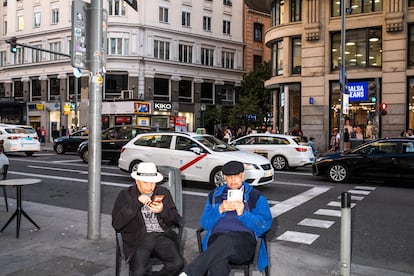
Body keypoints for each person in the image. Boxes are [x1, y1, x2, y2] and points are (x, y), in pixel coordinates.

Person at [181, 161, 272, 276]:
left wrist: (243, 214)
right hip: (216, 239)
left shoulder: (255, 196)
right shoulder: (214, 195)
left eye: (236, 176)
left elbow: (265, 224)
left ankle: (190, 272)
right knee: (218, 260)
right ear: (224, 177)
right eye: (229, 177)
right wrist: (220, 210)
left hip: (243, 243)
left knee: (225, 242)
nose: (233, 180)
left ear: (242, 175)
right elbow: (205, 223)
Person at [112, 162, 184, 276]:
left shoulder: (162, 192)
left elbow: (176, 219)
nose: (150, 186)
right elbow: (117, 224)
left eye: (153, 182)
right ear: (137, 181)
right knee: (138, 272)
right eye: (145, 182)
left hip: (161, 235)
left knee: (177, 264)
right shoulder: (126, 195)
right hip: (138, 238)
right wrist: (136, 203)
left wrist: (162, 210)